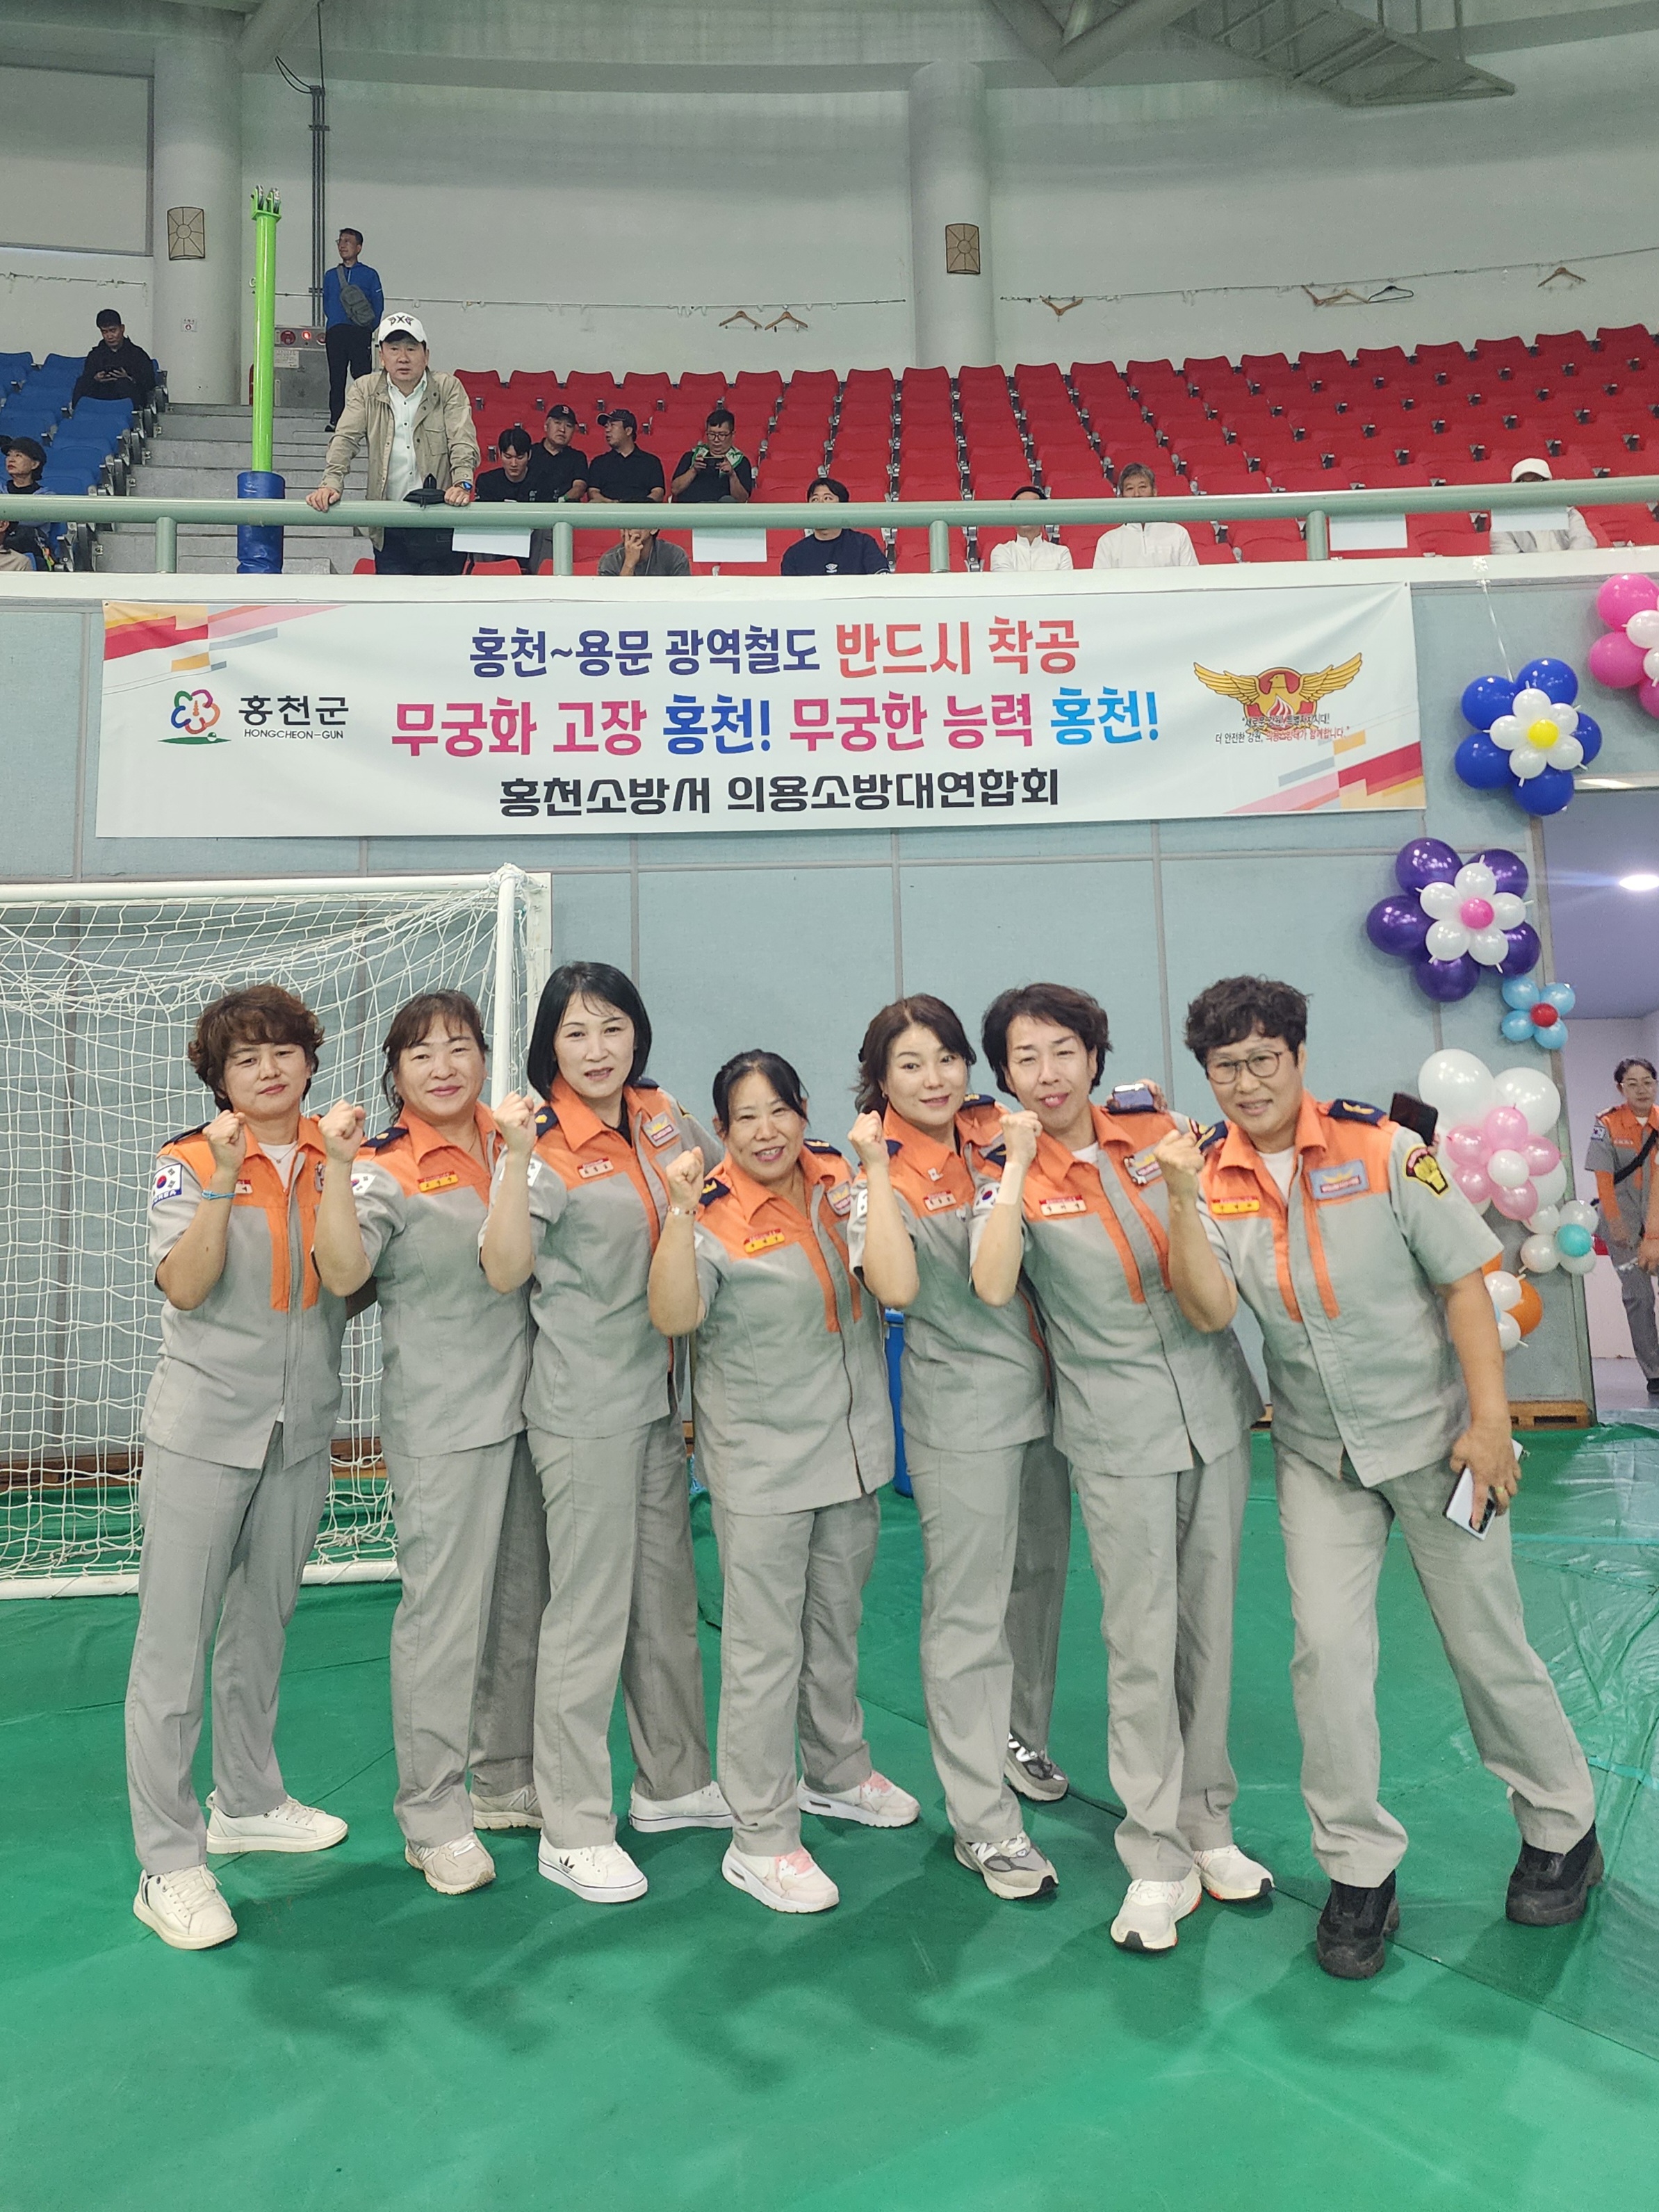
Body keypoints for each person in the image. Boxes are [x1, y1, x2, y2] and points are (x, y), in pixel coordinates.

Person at [1157, 974, 1600, 1981]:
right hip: (1319, 1457)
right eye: (1224, 1067)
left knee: (1486, 1644)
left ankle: (1560, 1826)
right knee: (1324, 1656)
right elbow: (1207, 1309)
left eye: (1262, 1059)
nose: (1245, 1082)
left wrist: (1490, 1423)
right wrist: (1179, 1194)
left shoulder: (1385, 1151)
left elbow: (1462, 1285)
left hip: (1440, 1444)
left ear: (1298, 1056)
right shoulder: (1212, 1177)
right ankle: (1357, 1868)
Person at [970, 982, 1270, 1955]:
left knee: (1206, 1630)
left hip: (1213, 1414)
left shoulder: (1156, 1131)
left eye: (1063, 1049)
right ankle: (1154, 1853)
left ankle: (1208, 1822)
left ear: (1094, 1056)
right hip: (1114, 1434)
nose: (1047, 1072)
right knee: (1140, 1643)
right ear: (1003, 1074)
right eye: (1024, 1057)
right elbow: (990, 1278)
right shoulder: (1002, 1169)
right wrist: (1018, 1167)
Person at [648, 1051, 920, 1916]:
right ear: (719, 1130)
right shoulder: (710, 1211)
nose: (766, 1132)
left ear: (804, 1111)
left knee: (834, 1626)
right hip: (762, 1466)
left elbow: (889, 1280)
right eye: (745, 1117)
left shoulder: (840, 1179)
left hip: (852, 1453)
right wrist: (678, 1213)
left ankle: (836, 1772)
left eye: (780, 1111)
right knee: (763, 1653)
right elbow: (673, 1315)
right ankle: (760, 1835)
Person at [481, 963, 724, 1906]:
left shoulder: (659, 1114)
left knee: (663, 1602)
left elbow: (718, 1188)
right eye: (575, 1032)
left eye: (612, 1028)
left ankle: (673, 1780)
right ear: (548, 1044)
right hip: (583, 1409)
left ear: (637, 1034)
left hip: (660, 1404)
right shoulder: (540, 1141)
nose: (596, 1049)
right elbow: (505, 1266)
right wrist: (510, 1165)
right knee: (586, 1616)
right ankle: (573, 1823)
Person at [126, 987, 352, 1952]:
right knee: (174, 1650)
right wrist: (224, 1179)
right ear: (218, 1078)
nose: (268, 1069)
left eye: (283, 1050)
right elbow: (184, 1283)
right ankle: (168, 1861)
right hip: (202, 1433)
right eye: (245, 1057)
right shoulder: (187, 1161)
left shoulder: (341, 1155)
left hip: (298, 1431)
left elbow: (352, 1283)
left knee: (263, 1626)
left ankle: (248, 1799)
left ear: (309, 1059)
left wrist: (341, 1173)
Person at [311, 991, 543, 1895]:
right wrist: (335, 1170)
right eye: (421, 1053)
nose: (444, 1066)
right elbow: (341, 1272)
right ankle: (432, 1814)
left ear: (484, 1055)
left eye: (459, 1046)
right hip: (444, 1421)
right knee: (444, 1622)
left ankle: (503, 1776)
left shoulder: (514, 1139)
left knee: (520, 1605)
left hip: (540, 1412)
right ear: (395, 1073)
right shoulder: (382, 1167)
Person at [846, 998, 1070, 1901]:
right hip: (962, 1415)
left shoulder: (997, 1131)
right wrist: (876, 1172)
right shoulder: (876, 1172)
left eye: (945, 1058)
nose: (934, 1078)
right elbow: (894, 1286)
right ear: (879, 1080)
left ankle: (1018, 1736)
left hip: (1048, 1401)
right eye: (909, 1064)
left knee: (1036, 1581)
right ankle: (983, 1823)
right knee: (968, 1615)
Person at [306, 313, 477, 576]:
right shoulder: (364, 389)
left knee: (440, 599)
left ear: (426, 355)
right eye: (394, 349)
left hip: (441, 519)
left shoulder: (448, 387)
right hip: (388, 523)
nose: (403, 357)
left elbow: (462, 439)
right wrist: (331, 483)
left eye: (411, 349)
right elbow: (345, 439)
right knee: (394, 599)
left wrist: (462, 483)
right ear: (382, 357)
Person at [1585, 1056, 1659, 1396]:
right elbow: (1604, 1182)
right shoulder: (1608, 1124)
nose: (1642, 1089)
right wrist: (1616, 1226)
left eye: (1647, 1082)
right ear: (1621, 1089)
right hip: (1623, 1226)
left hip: (1657, 1221)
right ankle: (1655, 1372)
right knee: (1639, 1298)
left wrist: (1653, 1234)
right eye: (1633, 1084)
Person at [321, 229, 384, 431]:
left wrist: (368, 328)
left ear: (359, 248)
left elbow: (378, 305)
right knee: (336, 378)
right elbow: (326, 304)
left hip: (360, 332)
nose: (342, 245)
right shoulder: (330, 276)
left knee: (363, 377)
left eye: (348, 241)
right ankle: (336, 420)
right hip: (336, 332)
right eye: (340, 241)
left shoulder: (370, 275)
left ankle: (365, 420)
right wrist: (335, 321)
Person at [1093, 464, 1199, 570]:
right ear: (1121, 497)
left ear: (1154, 492)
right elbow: (1101, 580)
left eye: (1142, 487)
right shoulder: (1108, 542)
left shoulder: (1178, 533)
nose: (1137, 494)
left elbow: (1192, 577)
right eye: (1130, 488)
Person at [779, 478, 888, 577]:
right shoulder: (794, 554)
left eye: (827, 498)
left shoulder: (864, 544)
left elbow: (882, 583)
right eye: (815, 499)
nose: (820, 504)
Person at [472, 426, 544, 573]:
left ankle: (542, 577)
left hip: (532, 543)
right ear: (500, 454)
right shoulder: (486, 481)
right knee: (479, 527)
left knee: (546, 530)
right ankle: (484, 574)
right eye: (508, 457)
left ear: (529, 455)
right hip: (496, 540)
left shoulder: (543, 480)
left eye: (519, 457)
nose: (514, 464)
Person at [1489, 459, 1598, 555]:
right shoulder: (1502, 524)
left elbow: (1585, 543)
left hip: (1569, 570)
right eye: (1522, 482)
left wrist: (1563, 566)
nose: (1531, 487)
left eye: (1538, 480)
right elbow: (1508, 562)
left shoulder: (1569, 514)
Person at [72, 309, 156, 408]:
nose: (110, 336)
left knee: (123, 383)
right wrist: (96, 379)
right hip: (100, 397)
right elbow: (86, 380)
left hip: (128, 400)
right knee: (82, 382)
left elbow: (149, 384)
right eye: (105, 332)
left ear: (122, 329)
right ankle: (76, 412)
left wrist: (129, 378)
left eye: (113, 331)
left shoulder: (138, 355)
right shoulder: (95, 355)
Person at [670, 409, 753, 503]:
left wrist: (732, 475)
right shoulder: (691, 457)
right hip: (692, 509)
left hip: (721, 510)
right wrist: (693, 470)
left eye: (722, 435)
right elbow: (675, 490)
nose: (716, 440)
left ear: (732, 435)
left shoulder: (741, 462)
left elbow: (742, 499)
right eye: (712, 434)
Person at [585, 410, 666, 505]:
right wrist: (612, 504)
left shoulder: (651, 462)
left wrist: (636, 505)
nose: (607, 430)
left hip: (641, 512)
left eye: (613, 425)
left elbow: (658, 493)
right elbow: (593, 492)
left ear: (628, 431)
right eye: (606, 426)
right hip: (607, 512)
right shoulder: (599, 463)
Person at [988, 484, 1073, 573]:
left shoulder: (1061, 554)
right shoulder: (1001, 552)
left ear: (1044, 514)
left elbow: (1065, 583)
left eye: (1031, 507)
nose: (1025, 512)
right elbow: (1008, 582)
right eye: (1020, 507)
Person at [0, 436, 48, 571]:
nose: (11, 459)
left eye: (18, 455)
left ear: (34, 464)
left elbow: (32, 520)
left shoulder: (46, 497)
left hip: (31, 555)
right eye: (9, 455)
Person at [527, 404, 589, 504]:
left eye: (569, 426)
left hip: (565, 510)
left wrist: (563, 500)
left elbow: (580, 487)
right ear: (546, 426)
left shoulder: (577, 458)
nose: (562, 430)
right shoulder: (529, 453)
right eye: (557, 423)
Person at [597, 527, 691, 578]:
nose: (627, 532)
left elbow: (683, 596)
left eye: (634, 525)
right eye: (623, 525)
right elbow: (615, 601)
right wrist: (629, 565)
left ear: (653, 529)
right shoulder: (609, 560)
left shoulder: (675, 555)